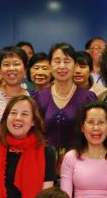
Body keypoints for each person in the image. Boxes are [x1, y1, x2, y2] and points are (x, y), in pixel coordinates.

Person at [34, 43, 97, 172]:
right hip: (44, 163)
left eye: (67, 61)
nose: (62, 66)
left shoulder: (87, 98)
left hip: (80, 163)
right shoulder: (39, 98)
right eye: (57, 61)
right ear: (50, 65)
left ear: (74, 65)